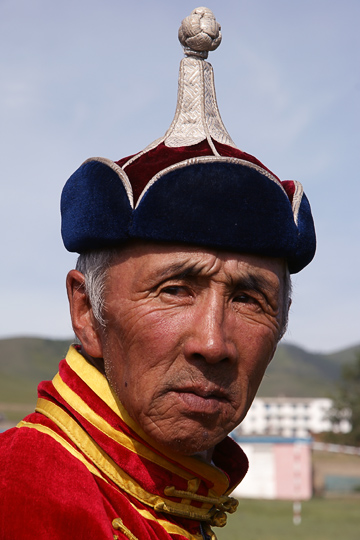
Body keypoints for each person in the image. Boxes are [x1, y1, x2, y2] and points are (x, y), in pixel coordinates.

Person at [0, 7, 315, 540]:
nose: (214, 344)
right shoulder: (25, 493)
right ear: (87, 313)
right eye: (174, 290)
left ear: (284, 319)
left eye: (248, 298)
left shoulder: (178, 497)